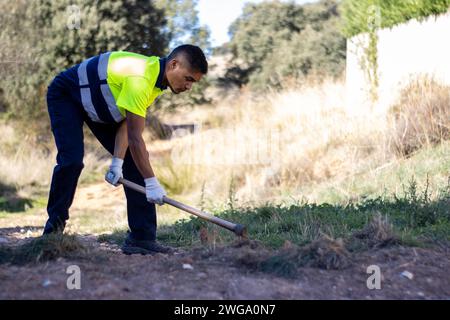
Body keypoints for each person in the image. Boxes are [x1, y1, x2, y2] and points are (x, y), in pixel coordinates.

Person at [43, 44, 208, 255]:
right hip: (67, 95)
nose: (189, 87)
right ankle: (52, 233)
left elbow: (126, 124)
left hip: (99, 106)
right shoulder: (141, 78)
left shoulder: (156, 82)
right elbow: (135, 138)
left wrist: (118, 162)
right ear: (174, 65)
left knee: (134, 164)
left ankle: (141, 239)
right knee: (72, 160)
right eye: (189, 79)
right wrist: (152, 183)